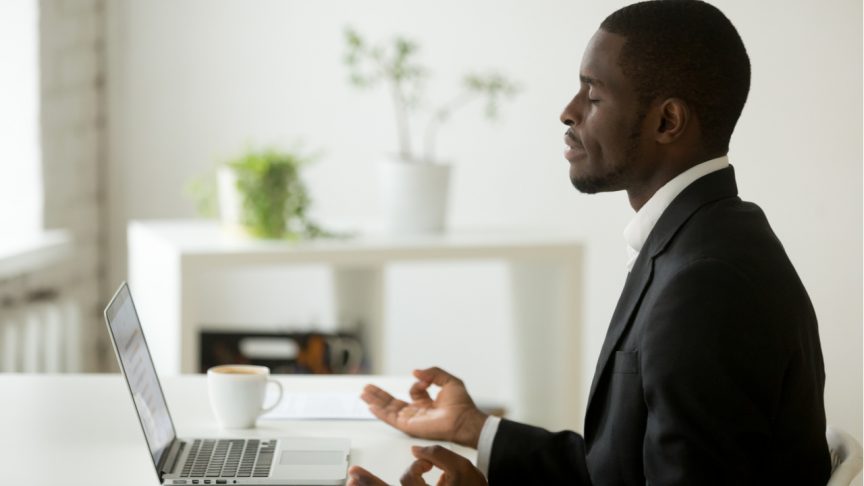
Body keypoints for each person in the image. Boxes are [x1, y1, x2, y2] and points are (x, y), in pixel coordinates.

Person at [348, 1, 831, 484]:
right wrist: (472, 428)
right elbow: (620, 470)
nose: (568, 112)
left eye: (593, 95)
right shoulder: (708, 235)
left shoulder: (705, 284)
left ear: (667, 122)